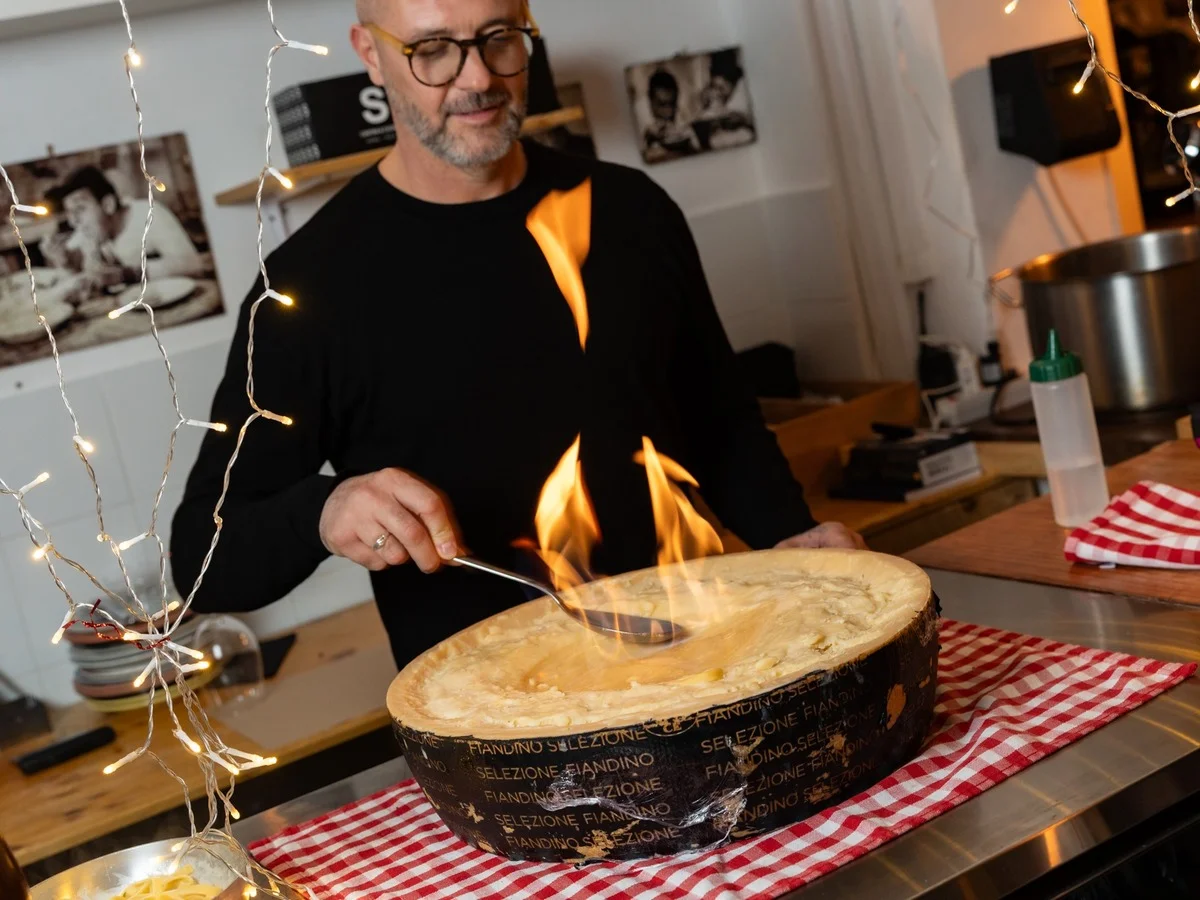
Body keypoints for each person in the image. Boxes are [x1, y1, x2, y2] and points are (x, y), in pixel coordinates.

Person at [170, 0, 865, 671]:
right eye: (432, 50)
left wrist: (794, 540)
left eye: (499, 36)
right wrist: (325, 508)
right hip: (498, 732)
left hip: (699, 655)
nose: (477, 79)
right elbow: (202, 561)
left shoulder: (633, 212)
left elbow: (722, 424)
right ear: (370, 55)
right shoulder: (305, 290)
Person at [40, 166, 205, 289]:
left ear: (108, 205)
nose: (73, 221)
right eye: (69, 213)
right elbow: (74, 264)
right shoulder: (86, 229)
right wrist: (66, 261)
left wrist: (127, 274)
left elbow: (194, 264)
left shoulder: (149, 214)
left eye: (80, 209)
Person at [642, 68, 700, 162]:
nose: (668, 112)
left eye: (672, 104)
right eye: (662, 104)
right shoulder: (644, 127)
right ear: (651, 102)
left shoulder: (685, 129)